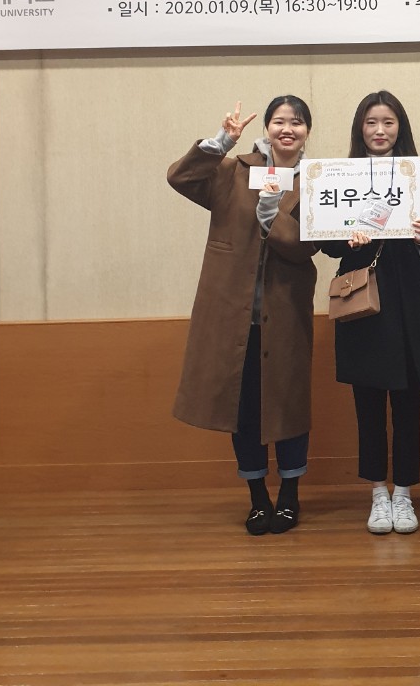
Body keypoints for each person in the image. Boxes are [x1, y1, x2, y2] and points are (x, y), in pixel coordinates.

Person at [168, 96, 318, 536]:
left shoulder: (315, 180)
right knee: (243, 407)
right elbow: (181, 178)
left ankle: (289, 496)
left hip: (285, 309)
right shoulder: (234, 170)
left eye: (297, 122)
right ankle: (257, 498)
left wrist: (271, 214)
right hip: (232, 312)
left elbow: (306, 246)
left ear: (307, 132)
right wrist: (221, 141)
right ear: (267, 128)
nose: (287, 129)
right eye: (279, 121)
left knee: (288, 403)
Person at [322, 90, 420, 535]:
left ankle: (404, 493)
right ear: (360, 128)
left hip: (411, 302)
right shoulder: (341, 175)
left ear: (401, 127)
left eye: (388, 122)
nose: (380, 131)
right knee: (369, 403)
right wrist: (348, 238)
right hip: (364, 302)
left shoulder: (418, 175)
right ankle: (378, 492)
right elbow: (324, 243)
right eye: (371, 122)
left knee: (408, 403)